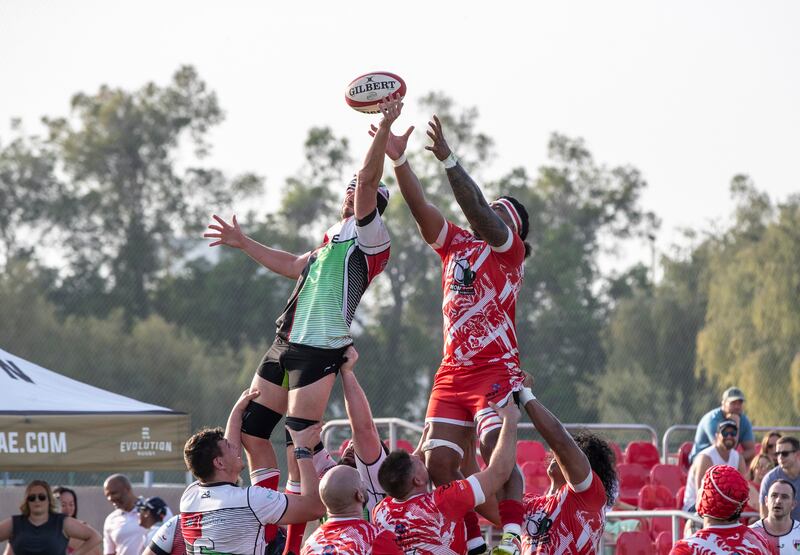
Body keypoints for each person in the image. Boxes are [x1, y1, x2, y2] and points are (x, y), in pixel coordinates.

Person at [204, 96, 400, 554]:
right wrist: (241, 240)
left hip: (320, 351)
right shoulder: (328, 244)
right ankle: (266, 518)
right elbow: (292, 263)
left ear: (372, 203)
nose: (352, 190)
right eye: (350, 188)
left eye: (359, 189)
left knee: (300, 445)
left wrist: (385, 125)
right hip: (285, 343)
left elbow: (370, 178)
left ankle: (286, 543)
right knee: (254, 430)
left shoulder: (370, 239)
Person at [378, 110, 531, 554]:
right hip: (452, 373)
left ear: (514, 229)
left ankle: (513, 539)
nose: (494, 210)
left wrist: (448, 159)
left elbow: (479, 209)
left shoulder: (509, 253)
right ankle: (472, 545)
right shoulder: (455, 243)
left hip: (494, 371)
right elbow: (422, 208)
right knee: (437, 462)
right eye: (494, 204)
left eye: (506, 212)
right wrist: (400, 161)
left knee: (492, 448)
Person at [179, 388, 326, 554]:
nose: (236, 448)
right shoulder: (250, 501)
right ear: (219, 463)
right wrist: (303, 451)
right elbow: (316, 507)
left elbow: (224, 474)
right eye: (229, 447)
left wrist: (236, 414)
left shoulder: (190, 497)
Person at [371, 400, 521, 554]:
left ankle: (476, 545)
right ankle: (512, 537)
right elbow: (499, 471)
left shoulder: (381, 511)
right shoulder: (441, 502)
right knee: (508, 552)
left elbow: (406, 467)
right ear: (417, 480)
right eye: (418, 462)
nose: (419, 457)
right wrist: (510, 421)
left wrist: (427, 436)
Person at [515, 376, 617, 554]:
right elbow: (481, 498)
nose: (556, 454)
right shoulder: (532, 504)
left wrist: (525, 394)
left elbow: (560, 442)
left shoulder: (590, 495)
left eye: (575, 453)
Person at [671, 465, 776, 554]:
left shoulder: (687, 548)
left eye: (702, 487)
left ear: (708, 498)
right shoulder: (760, 542)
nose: (698, 491)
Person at [300, 465, 402, 554]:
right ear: (359, 496)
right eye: (362, 483)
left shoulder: (309, 545)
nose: (364, 485)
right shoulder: (377, 538)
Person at [0, 479, 101, 555]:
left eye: (42, 497)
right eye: (32, 498)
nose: (37, 500)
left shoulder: (63, 522)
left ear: (49, 500)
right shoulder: (15, 523)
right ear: (27, 501)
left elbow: (96, 537)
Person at [682, 419, 747, 512]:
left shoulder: (739, 458)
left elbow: (743, 490)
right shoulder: (705, 458)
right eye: (725, 432)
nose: (729, 436)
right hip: (695, 507)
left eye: (733, 433)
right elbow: (702, 494)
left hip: (725, 508)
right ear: (716, 436)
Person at [689, 387, 755, 464]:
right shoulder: (712, 419)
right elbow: (723, 448)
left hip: (725, 460)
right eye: (733, 403)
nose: (737, 406)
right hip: (700, 459)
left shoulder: (744, 420)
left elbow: (751, 451)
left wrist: (736, 461)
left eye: (740, 403)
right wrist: (735, 423)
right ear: (723, 403)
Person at [751, 480, 800, 554]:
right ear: (766, 501)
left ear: (793, 504)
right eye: (774, 495)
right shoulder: (751, 534)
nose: (778, 501)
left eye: (784, 497)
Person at [102, 474, 146, 555]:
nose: (110, 498)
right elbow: (109, 552)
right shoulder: (111, 520)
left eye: (114, 493)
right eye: (107, 495)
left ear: (127, 489)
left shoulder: (156, 510)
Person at [761, 436, 800, 521]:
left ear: (797, 454)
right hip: (779, 533)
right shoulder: (770, 478)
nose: (780, 457)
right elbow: (764, 515)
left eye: (785, 453)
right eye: (777, 453)